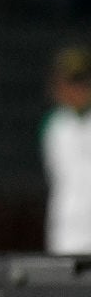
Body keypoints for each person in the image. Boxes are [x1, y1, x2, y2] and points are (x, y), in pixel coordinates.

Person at [41, 44, 91, 255]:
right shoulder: (54, 125)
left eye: (80, 82)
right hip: (67, 229)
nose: (75, 89)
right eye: (69, 82)